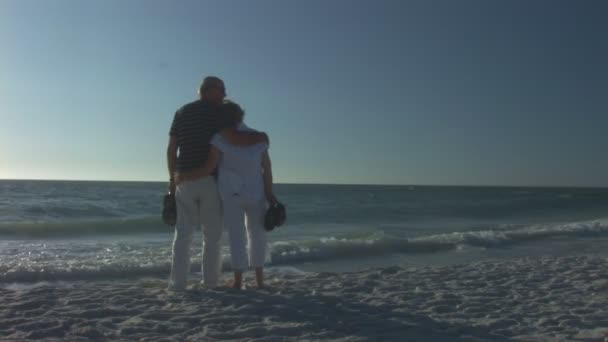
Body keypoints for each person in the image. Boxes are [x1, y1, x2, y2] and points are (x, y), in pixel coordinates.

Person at [166, 76, 268, 291]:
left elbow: (171, 148)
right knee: (211, 235)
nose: (224, 94)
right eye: (222, 90)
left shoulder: (181, 111)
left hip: (184, 177)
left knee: (182, 233)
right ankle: (210, 282)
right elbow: (238, 136)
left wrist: (172, 179)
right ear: (210, 90)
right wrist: (262, 138)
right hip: (210, 179)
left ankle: (177, 284)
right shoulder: (219, 114)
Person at [188, 101, 276, 289]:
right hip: (257, 193)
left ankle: (238, 281)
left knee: (237, 236)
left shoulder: (219, 139)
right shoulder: (259, 138)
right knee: (257, 235)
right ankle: (260, 281)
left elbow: (210, 166)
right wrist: (270, 193)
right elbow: (266, 168)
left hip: (231, 194)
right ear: (241, 116)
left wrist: (185, 177)